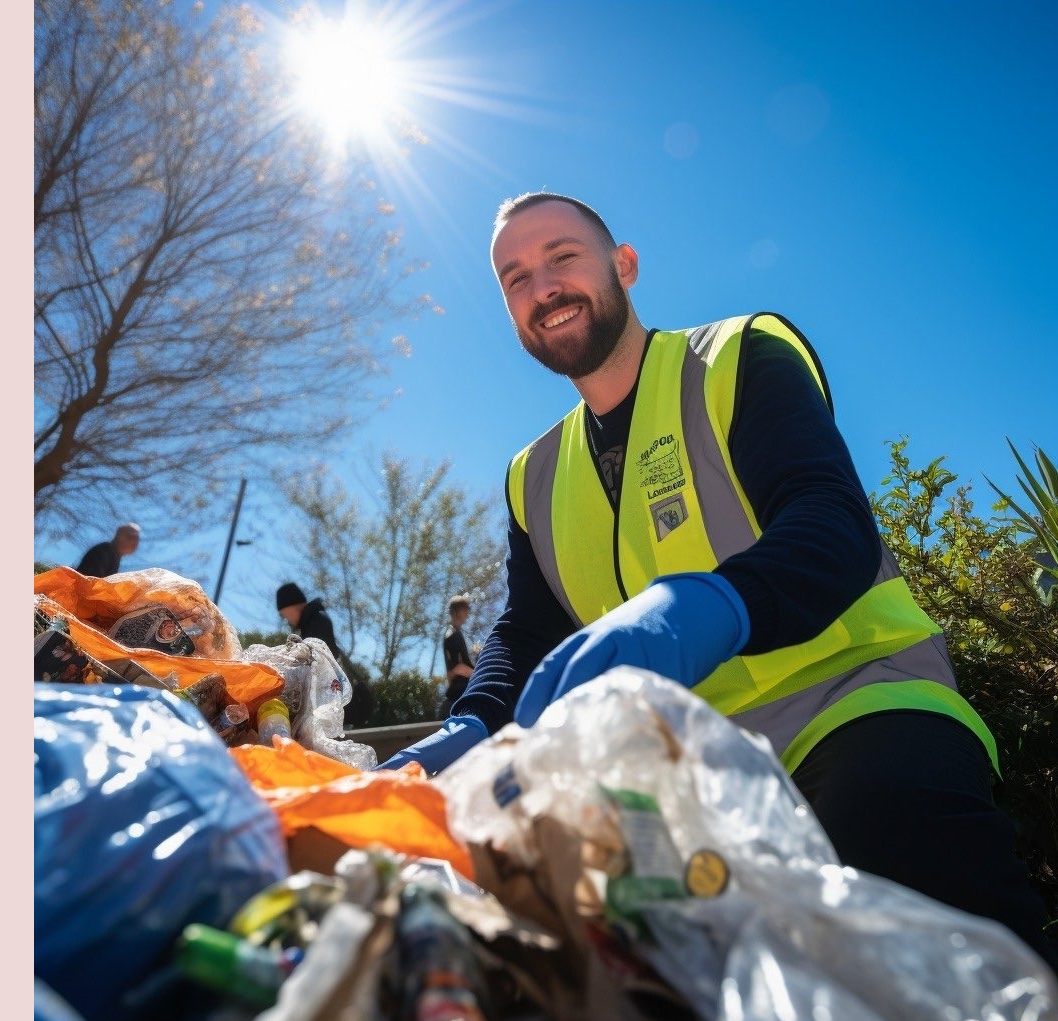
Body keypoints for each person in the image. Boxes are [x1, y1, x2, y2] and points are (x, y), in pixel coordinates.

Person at [380, 192, 1057, 969]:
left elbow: (829, 517)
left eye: (562, 257)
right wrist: (470, 726)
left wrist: (712, 604)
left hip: (857, 700)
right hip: (691, 772)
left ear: (624, 266)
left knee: (903, 862)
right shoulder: (531, 476)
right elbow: (527, 633)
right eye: (515, 278)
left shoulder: (738, 356)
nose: (543, 288)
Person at [277, 582, 375, 729]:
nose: (286, 619)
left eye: (285, 614)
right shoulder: (315, 621)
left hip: (338, 703)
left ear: (293, 605)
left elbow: (317, 667)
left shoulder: (316, 622)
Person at [439, 595, 475, 719]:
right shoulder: (453, 635)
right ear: (458, 611)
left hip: (456, 697)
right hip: (458, 697)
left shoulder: (453, 634)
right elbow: (457, 668)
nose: (468, 613)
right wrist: (479, 674)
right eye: (465, 609)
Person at [75, 524, 140, 577]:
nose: (135, 541)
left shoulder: (114, 556)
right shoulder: (104, 550)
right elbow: (93, 582)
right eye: (131, 536)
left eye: (137, 538)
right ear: (118, 535)